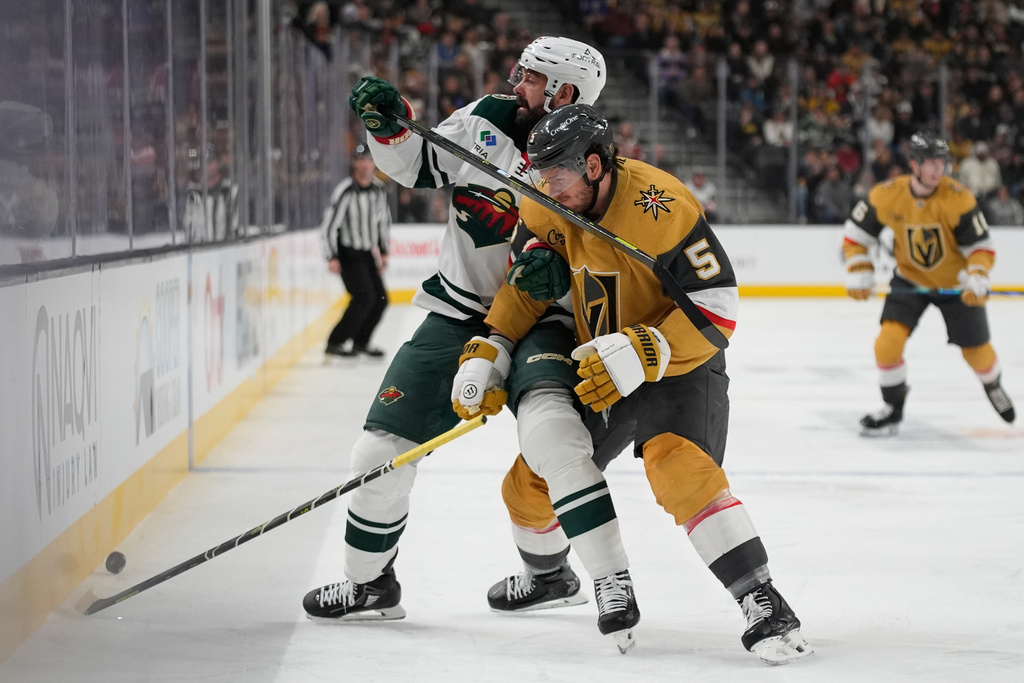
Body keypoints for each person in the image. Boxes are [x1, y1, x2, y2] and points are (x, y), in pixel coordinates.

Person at [303, 37, 641, 649]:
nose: (517, 83)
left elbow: (607, 251)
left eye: (531, 77)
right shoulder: (485, 118)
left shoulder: (592, 158)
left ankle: (556, 576)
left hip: (546, 321)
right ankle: (369, 583)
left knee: (551, 444)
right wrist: (389, 129)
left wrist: (561, 272)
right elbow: (413, 166)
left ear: (565, 92)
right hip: (458, 312)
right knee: (378, 448)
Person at [454, 104, 813, 666]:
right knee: (529, 481)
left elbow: (717, 307)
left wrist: (653, 348)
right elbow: (527, 285)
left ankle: (762, 599)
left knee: (678, 470)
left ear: (595, 165)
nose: (545, 187)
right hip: (599, 362)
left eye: (558, 176)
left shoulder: (660, 204)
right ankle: (550, 579)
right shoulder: (548, 199)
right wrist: (492, 346)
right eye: (539, 175)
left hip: (675, 361)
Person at [843, 132, 1016, 434]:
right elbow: (856, 234)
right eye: (931, 163)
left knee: (977, 353)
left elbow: (980, 246)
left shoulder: (959, 197)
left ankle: (993, 384)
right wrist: (859, 267)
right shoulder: (886, 194)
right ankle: (893, 408)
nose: (938, 170)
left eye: (942, 163)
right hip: (911, 281)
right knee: (887, 344)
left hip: (956, 285)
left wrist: (977, 274)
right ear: (914, 164)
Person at [321, 143, 391, 359]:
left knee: (381, 299)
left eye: (370, 159)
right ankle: (335, 341)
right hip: (348, 253)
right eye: (362, 159)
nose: (366, 164)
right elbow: (330, 225)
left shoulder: (379, 190)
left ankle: (361, 342)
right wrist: (331, 256)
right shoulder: (346, 191)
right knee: (364, 297)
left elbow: (382, 222)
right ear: (354, 163)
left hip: (367, 253)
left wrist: (383, 251)